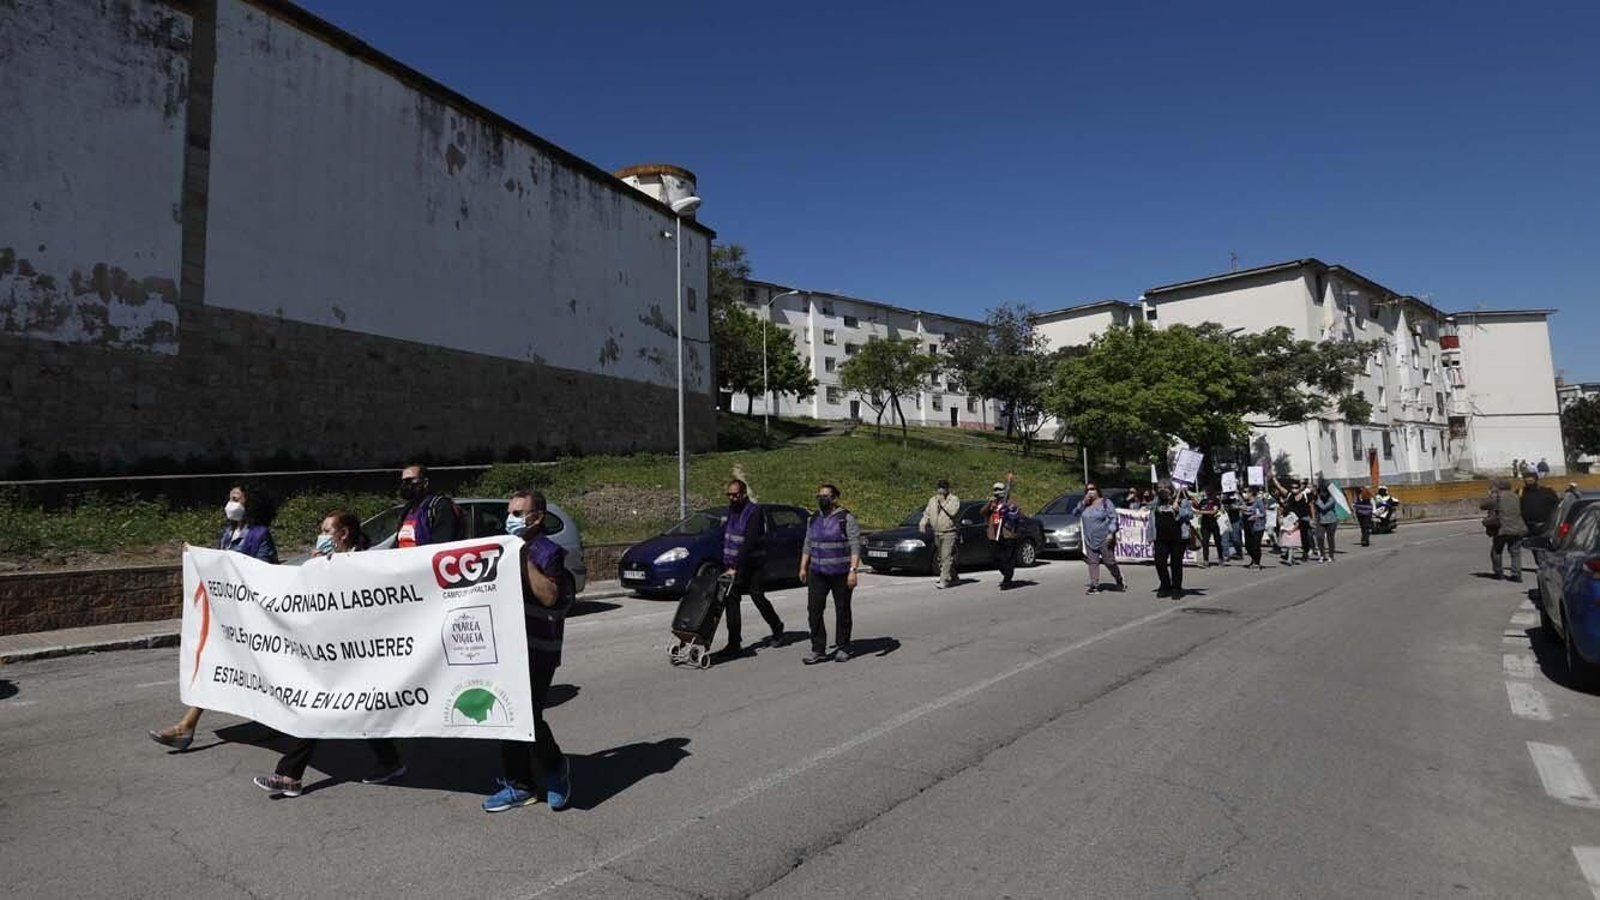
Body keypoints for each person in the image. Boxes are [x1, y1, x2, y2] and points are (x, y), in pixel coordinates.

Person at [252, 510, 403, 797]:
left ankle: (289, 775)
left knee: (320, 708)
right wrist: (315, 568)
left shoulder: (366, 562)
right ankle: (390, 761)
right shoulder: (323, 563)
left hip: (359, 654)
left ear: (342, 534)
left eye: (326, 530)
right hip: (332, 652)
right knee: (359, 710)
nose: (321, 535)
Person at [149, 482, 280, 751]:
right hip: (227, 619)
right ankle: (186, 727)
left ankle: (279, 722)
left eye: (236, 499)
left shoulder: (259, 535)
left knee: (258, 673)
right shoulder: (227, 534)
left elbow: (265, 571)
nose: (230, 504)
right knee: (216, 667)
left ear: (249, 504)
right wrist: (198, 557)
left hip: (250, 621)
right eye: (229, 498)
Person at [483, 490, 574, 812]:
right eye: (510, 512)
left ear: (537, 517)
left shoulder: (550, 553)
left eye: (519, 513)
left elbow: (551, 597)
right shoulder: (500, 549)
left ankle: (555, 769)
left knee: (529, 715)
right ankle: (519, 784)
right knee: (507, 715)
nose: (512, 518)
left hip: (538, 650)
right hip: (506, 649)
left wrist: (522, 558)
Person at [718, 479, 785, 657]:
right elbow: (725, 536)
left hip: (752, 564)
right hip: (732, 564)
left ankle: (777, 627)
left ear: (744, 494)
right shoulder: (731, 511)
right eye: (729, 495)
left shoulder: (754, 512)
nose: (732, 498)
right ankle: (734, 643)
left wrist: (736, 568)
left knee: (757, 597)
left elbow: (748, 543)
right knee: (731, 601)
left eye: (735, 494)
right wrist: (726, 563)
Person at [799, 484, 862, 664]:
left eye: (825, 496)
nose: (821, 499)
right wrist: (803, 567)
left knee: (842, 610)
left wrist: (853, 571)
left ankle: (843, 647)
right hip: (817, 573)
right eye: (819, 496)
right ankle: (818, 649)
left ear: (834, 498)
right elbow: (807, 544)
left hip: (841, 574)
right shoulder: (814, 519)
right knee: (814, 611)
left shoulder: (846, 518)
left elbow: (855, 546)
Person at [1072, 485, 1124, 594]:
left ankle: (1119, 578)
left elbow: (1113, 518)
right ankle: (1094, 585)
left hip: (1105, 538)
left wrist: (1111, 533)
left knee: (1109, 562)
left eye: (1093, 489)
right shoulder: (1085, 505)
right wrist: (1083, 503)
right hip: (1089, 539)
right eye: (1088, 490)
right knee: (1092, 562)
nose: (1091, 492)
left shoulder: (1106, 502)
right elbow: (1075, 513)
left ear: (1098, 490)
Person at [396, 463, 461, 548]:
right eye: (403, 481)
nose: (406, 485)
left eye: (410, 480)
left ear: (425, 482)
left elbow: (441, 546)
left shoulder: (439, 506)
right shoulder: (407, 510)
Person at [1145, 482, 1193, 598]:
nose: (1162, 490)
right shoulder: (1156, 502)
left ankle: (1176, 588)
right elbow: (1148, 506)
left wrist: (1179, 510)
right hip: (1160, 537)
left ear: (1171, 489)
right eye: (1159, 488)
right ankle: (1165, 585)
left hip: (1178, 537)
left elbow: (1190, 515)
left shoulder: (1182, 501)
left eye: (1164, 487)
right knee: (1159, 562)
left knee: (1176, 563)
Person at [1481, 478, 1528, 582]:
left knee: (1497, 551)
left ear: (1497, 487)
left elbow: (1483, 505)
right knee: (1515, 552)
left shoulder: (1496, 496)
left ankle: (1499, 573)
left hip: (1502, 529)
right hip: (1517, 527)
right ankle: (1516, 574)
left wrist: (1490, 494)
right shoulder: (1516, 496)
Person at [919, 478, 961, 589]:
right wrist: (923, 523)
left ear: (947, 489)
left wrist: (942, 502)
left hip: (949, 532)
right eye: (939, 488)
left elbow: (953, 512)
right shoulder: (932, 500)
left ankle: (944, 580)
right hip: (937, 532)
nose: (941, 491)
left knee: (946, 557)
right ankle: (955, 577)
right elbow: (927, 513)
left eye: (943, 488)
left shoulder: (954, 500)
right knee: (941, 558)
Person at [982, 482, 1025, 588]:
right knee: (995, 557)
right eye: (995, 491)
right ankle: (1007, 573)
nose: (997, 493)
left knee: (1008, 559)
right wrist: (989, 504)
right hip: (995, 535)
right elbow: (983, 512)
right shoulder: (993, 503)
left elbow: (1019, 514)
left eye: (999, 490)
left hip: (1008, 534)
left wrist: (1009, 511)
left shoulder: (1011, 502)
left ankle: (1007, 580)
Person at [1519, 470, 1561, 540]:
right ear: (1524, 480)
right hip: (1527, 526)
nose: (1529, 479)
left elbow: (1556, 504)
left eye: (1531, 478)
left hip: (1544, 525)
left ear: (1536, 479)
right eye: (1527, 478)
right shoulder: (1520, 492)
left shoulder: (1547, 491)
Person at [1196, 489, 1225, 567]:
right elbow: (1197, 510)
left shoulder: (1215, 500)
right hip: (1204, 525)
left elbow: (1213, 512)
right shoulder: (1203, 501)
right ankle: (1206, 560)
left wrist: (1201, 512)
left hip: (1213, 524)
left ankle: (1220, 558)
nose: (1204, 493)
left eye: (1205, 491)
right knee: (1205, 543)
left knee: (1217, 542)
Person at [1241, 487, 1267, 568]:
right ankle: (1253, 559)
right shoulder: (1244, 502)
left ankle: (1257, 563)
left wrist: (1256, 516)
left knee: (1256, 545)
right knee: (1248, 546)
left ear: (1251, 493)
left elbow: (1263, 513)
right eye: (1243, 492)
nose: (1244, 494)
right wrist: (1240, 509)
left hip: (1258, 527)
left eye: (1245, 492)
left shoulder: (1258, 501)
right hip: (1247, 526)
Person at [1314, 484, 1340, 562]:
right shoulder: (1318, 499)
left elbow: (1324, 507)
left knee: (1330, 538)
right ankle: (1322, 555)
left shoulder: (1332, 499)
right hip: (1320, 521)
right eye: (1321, 492)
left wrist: (1317, 500)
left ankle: (1331, 556)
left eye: (1324, 492)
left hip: (1331, 521)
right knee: (1319, 537)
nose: (1323, 494)